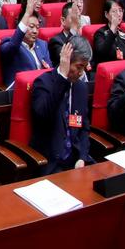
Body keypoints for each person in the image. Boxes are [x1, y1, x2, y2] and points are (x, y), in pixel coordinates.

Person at [28, 38, 93, 173]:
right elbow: (43, 115)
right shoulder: (43, 83)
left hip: (75, 160)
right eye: (79, 67)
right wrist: (62, 77)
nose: (81, 72)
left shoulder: (81, 88)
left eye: (84, 67)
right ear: (66, 61)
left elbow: (84, 128)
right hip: (50, 162)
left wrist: (82, 157)